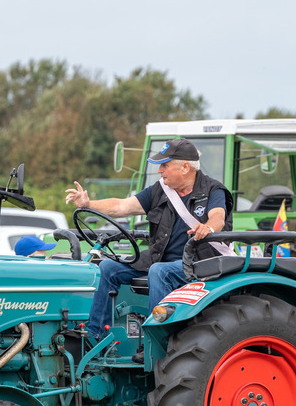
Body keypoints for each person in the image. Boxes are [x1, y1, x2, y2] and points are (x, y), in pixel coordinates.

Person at [65, 138, 233, 355]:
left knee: (159, 272)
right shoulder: (159, 190)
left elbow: (218, 217)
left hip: (200, 263)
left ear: (185, 167)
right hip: (161, 260)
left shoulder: (214, 190)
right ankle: (95, 338)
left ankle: (154, 343)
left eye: (165, 165)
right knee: (107, 268)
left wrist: (208, 228)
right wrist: (88, 204)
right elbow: (121, 205)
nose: (160, 171)